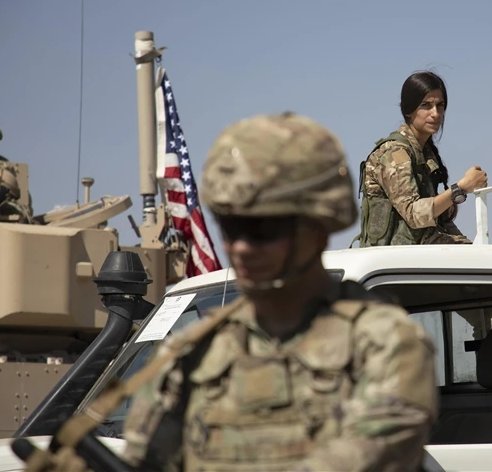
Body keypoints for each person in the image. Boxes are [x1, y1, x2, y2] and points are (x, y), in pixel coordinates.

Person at [118, 112, 439, 471]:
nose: (239, 246)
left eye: (261, 228)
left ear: (316, 227)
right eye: (229, 225)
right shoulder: (193, 354)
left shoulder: (385, 343)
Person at [356, 71, 488, 247]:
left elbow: (440, 221)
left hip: (419, 249)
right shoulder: (395, 152)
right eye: (426, 105)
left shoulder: (425, 153)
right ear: (409, 111)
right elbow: (414, 214)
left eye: (440, 105)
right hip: (394, 257)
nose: (435, 113)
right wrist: (461, 188)